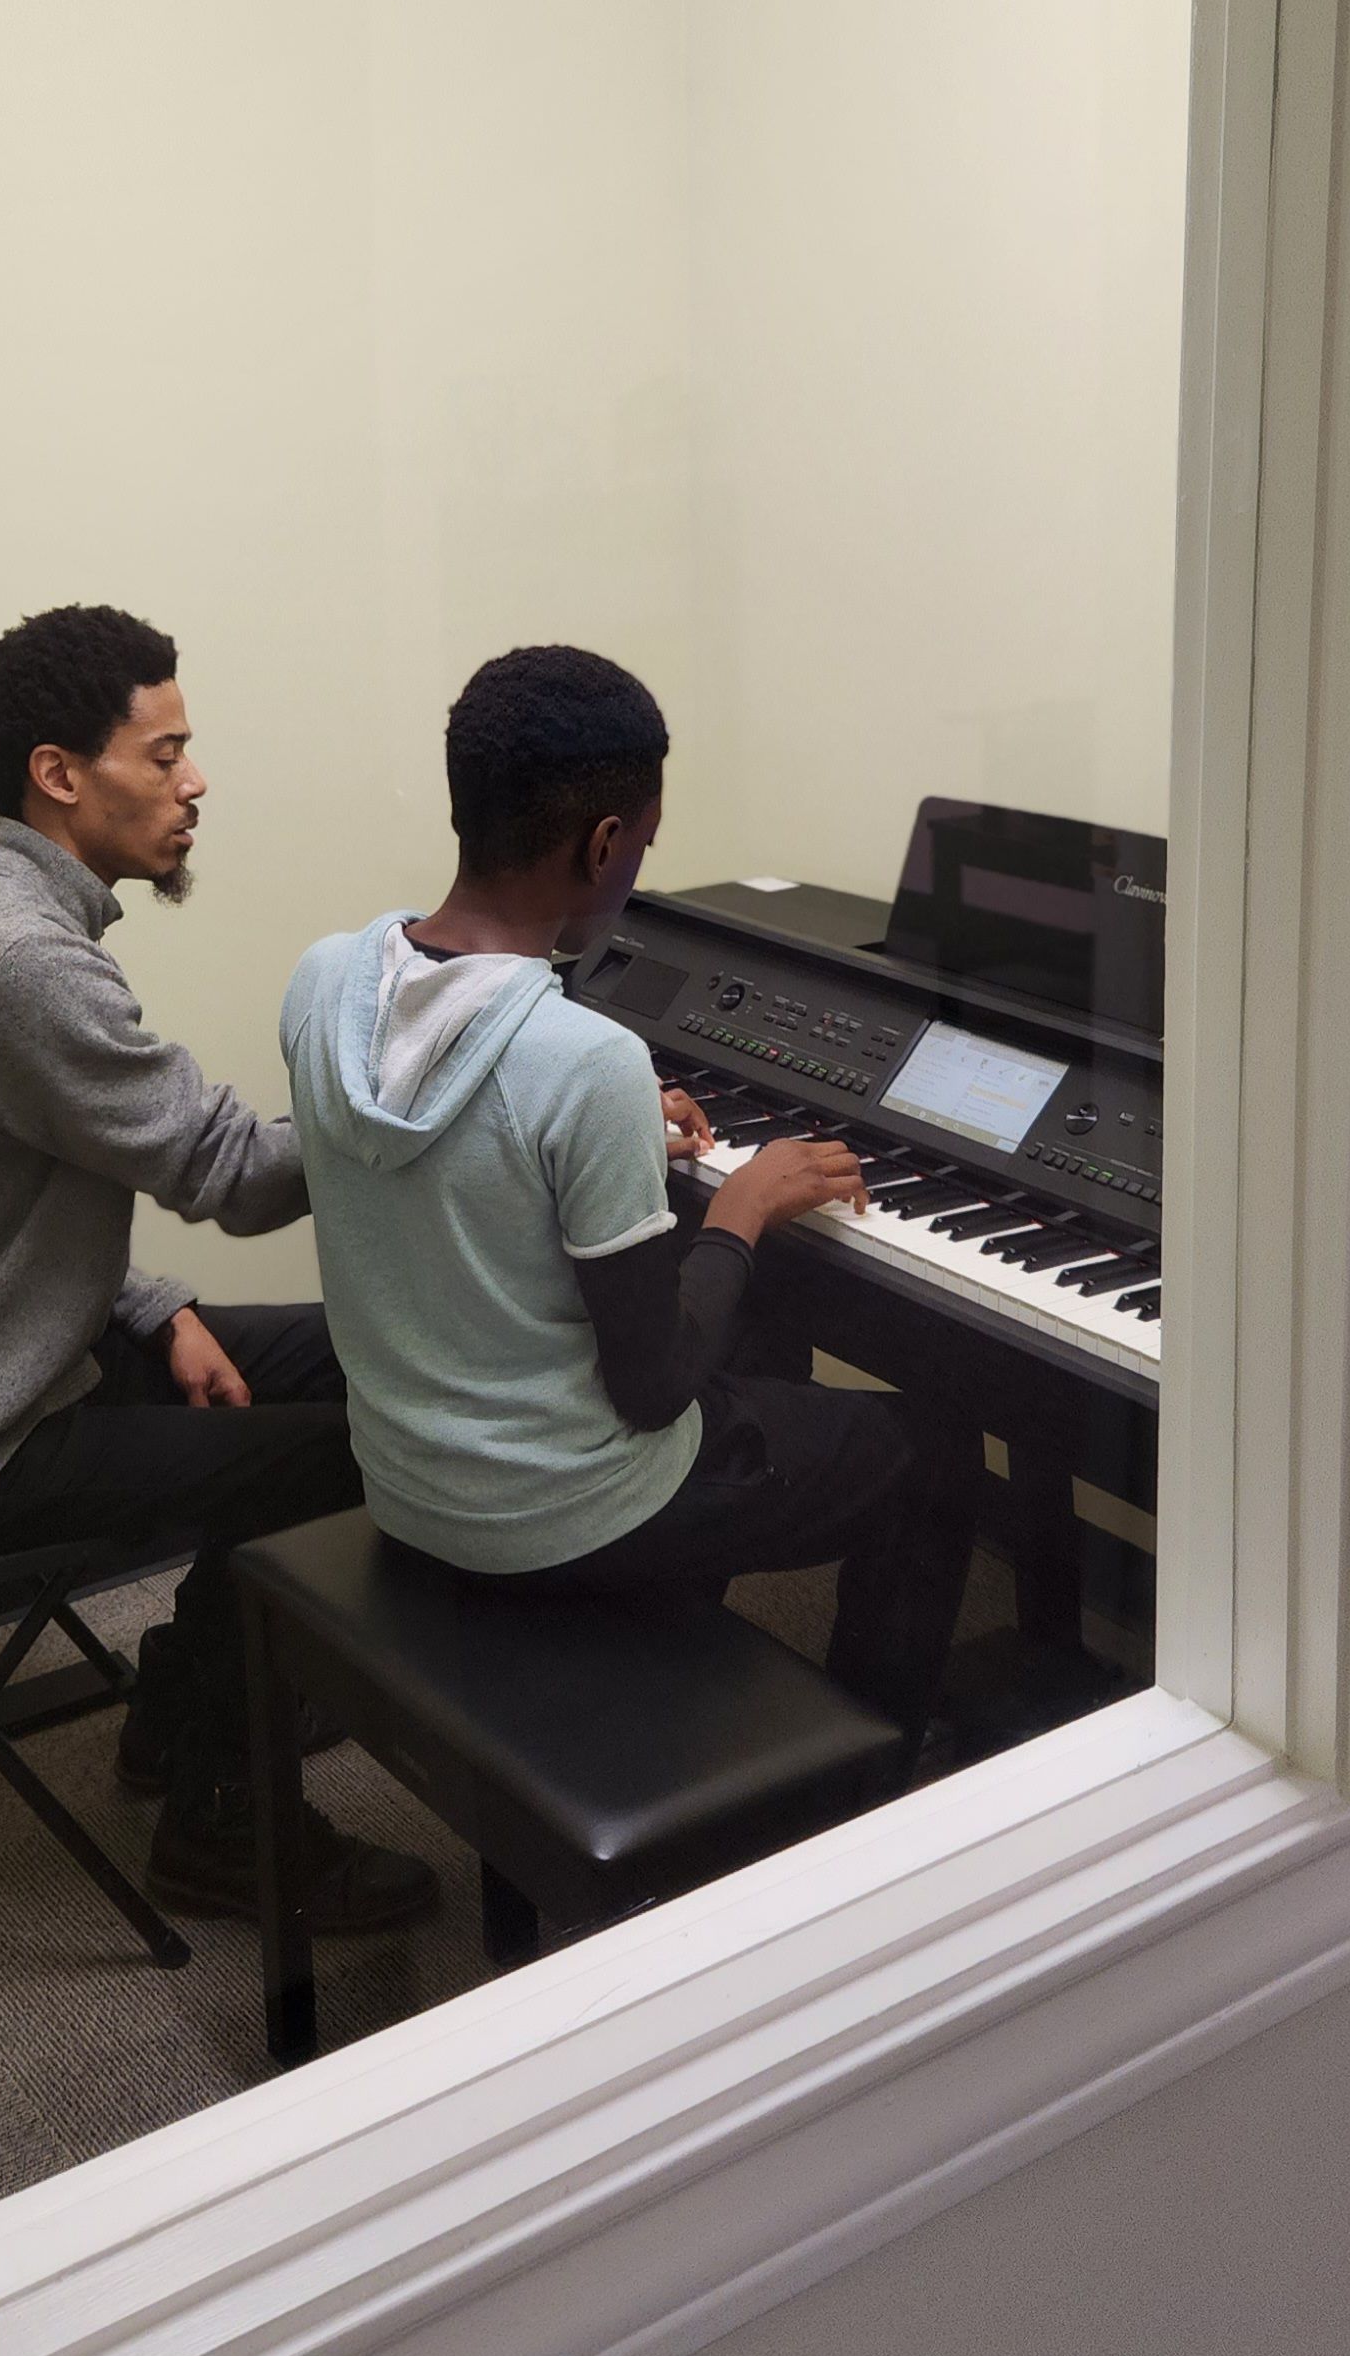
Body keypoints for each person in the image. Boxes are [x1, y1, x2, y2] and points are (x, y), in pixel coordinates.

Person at [0, 604, 435, 1931]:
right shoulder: (29, 967)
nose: (195, 782)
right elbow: (242, 1176)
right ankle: (221, 1820)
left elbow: (23, 1194)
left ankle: (176, 1705)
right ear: (61, 773)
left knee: (347, 1348)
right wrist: (449, 1086)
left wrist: (159, 1305)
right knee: (331, 1450)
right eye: (166, 753)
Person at [278, 644, 978, 1768]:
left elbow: (458, 1133)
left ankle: (706, 1666)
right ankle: (876, 1778)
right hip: (566, 1507)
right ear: (603, 841)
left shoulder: (326, 978)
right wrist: (741, 1206)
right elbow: (650, 1391)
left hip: (413, 1481)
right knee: (935, 1450)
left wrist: (597, 1128)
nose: (637, 871)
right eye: (643, 846)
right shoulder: (581, 1059)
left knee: (746, 1345)